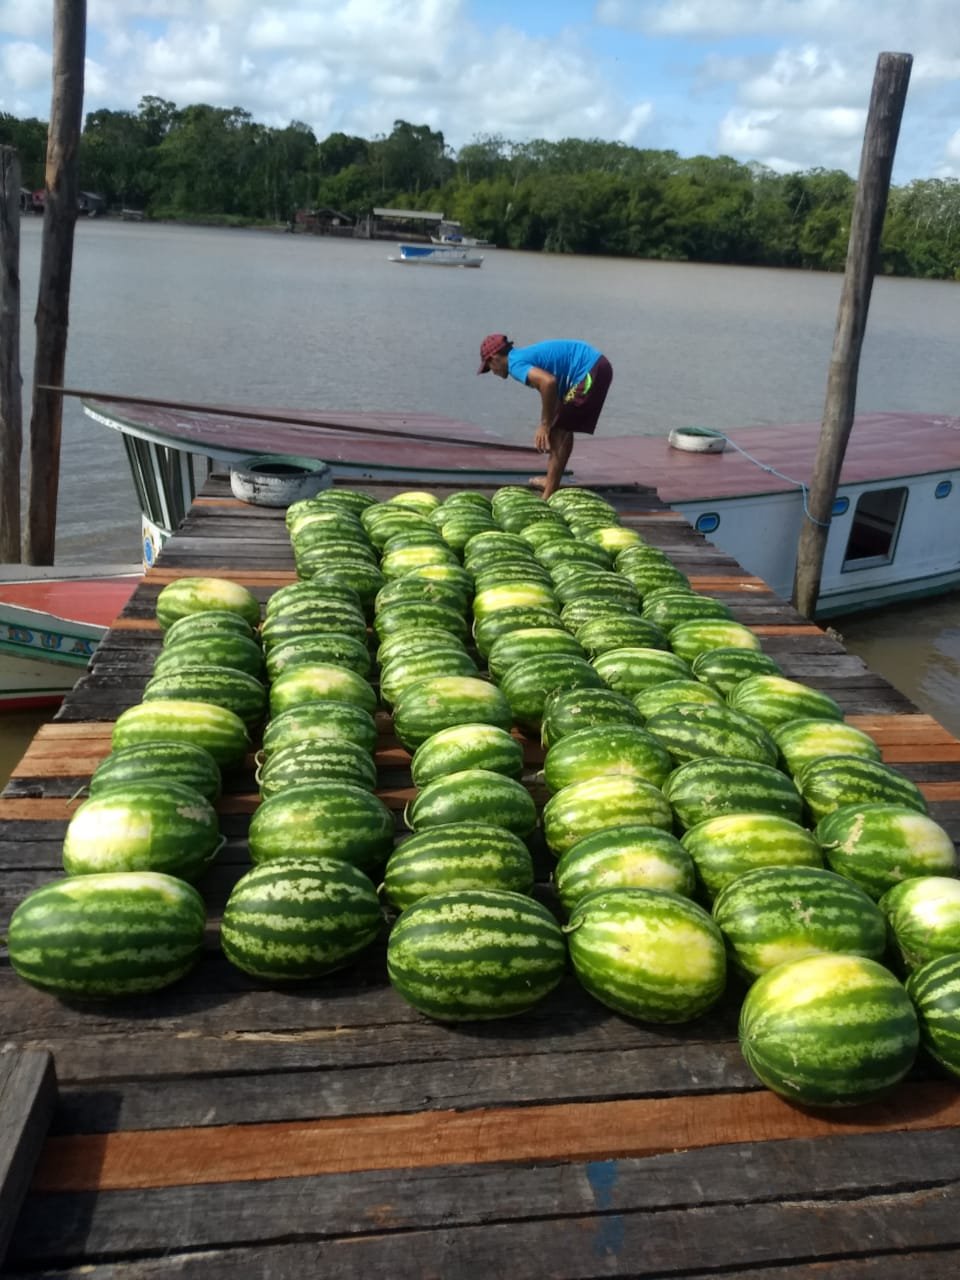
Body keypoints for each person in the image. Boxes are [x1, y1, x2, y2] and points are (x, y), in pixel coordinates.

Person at [476, 334, 613, 499]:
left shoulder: (515, 364)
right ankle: (551, 481)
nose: (493, 372)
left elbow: (548, 383)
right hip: (594, 366)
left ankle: (548, 495)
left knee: (557, 431)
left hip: (590, 370)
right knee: (561, 427)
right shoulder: (520, 357)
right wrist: (551, 420)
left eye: (489, 367)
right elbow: (552, 386)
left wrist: (544, 424)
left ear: (494, 359)